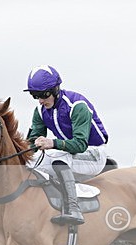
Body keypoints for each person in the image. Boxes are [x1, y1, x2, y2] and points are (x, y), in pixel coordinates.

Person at [24, 65, 108, 225]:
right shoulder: (40, 110)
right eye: (35, 96)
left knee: (58, 156)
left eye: (43, 95)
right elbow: (32, 140)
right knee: (31, 161)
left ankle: (73, 209)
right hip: (70, 155)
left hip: (93, 154)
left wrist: (52, 143)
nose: (41, 100)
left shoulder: (77, 106)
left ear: (55, 89)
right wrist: (32, 144)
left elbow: (80, 144)